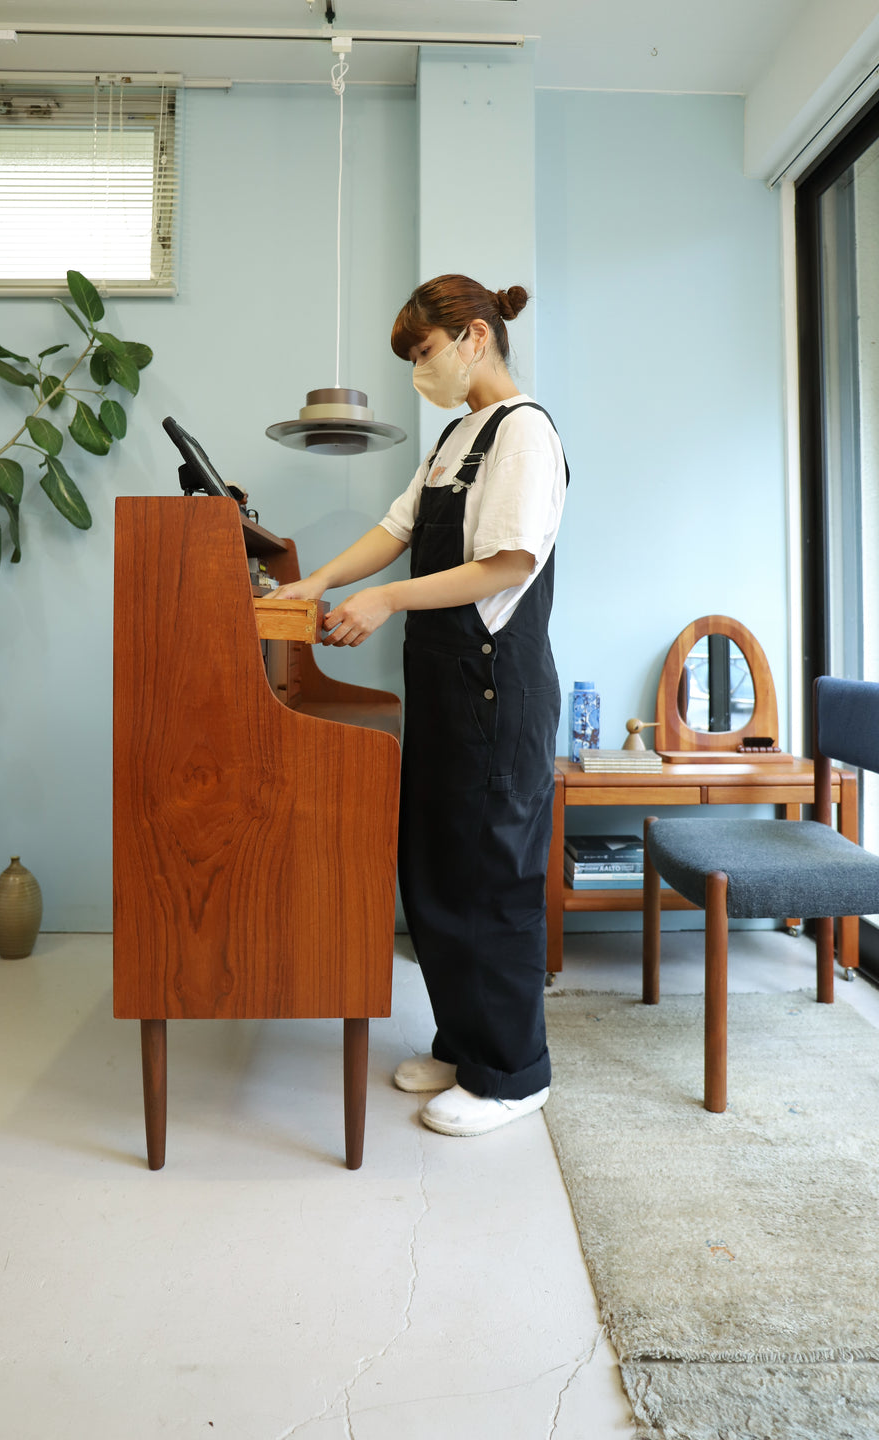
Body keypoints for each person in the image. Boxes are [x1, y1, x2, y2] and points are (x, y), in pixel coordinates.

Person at [268, 274, 568, 1137]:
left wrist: (387, 601)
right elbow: (398, 529)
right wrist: (320, 579)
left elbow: (508, 564)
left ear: (475, 337)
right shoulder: (455, 436)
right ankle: (463, 1043)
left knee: (491, 880)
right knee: (438, 870)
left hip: (494, 692)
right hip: (442, 690)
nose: (417, 372)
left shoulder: (524, 433)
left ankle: (512, 1074)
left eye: (425, 352)